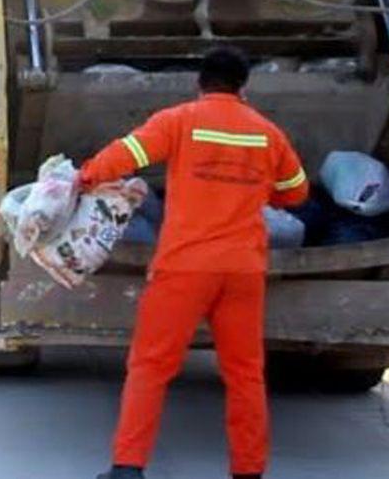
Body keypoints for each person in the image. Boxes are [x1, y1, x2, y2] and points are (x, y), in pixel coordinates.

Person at [80, 46, 309, 479]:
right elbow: (296, 191)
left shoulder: (179, 120)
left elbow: (124, 156)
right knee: (245, 375)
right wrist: (257, 190)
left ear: (199, 82)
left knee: (150, 366)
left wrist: (83, 177)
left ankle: (128, 468)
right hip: (243, 269)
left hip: (184, 266)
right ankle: (247, 471)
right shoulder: (267, 133)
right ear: (244, 87)